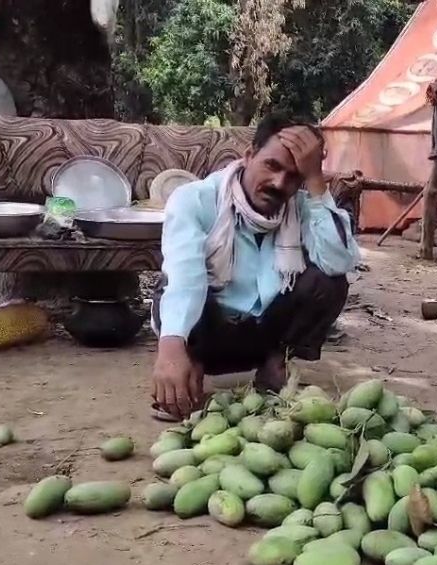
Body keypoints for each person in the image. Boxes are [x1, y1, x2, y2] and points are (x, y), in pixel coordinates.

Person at [150, 114, 359, 420]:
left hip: (261, 337)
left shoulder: (301, 208)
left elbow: (339, 260)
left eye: (294, 176)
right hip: (208, 332)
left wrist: (315, 181)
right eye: (272, 166)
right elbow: (185, 280)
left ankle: (275, 363)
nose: (279, 183)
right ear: (248, 156)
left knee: (329, 283)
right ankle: (191, 362)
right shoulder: (195, 200)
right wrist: (171, 349)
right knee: (171, 288)